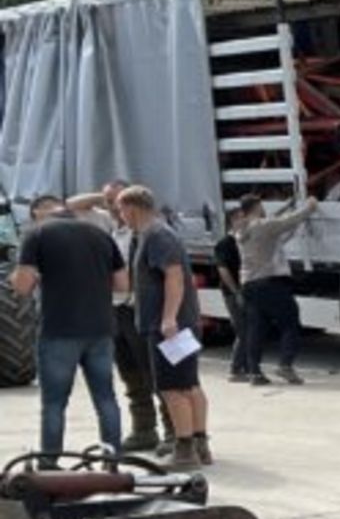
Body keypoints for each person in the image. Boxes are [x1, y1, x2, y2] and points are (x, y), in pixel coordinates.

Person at [9, 200, 126, 459]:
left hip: (58, 330)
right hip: (100, 329)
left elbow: (22, 286)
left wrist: (28, 277)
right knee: (106, 398)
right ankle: (112, 458)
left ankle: (50, 463)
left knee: (54, 403)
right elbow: (122, 283)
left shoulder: (37, 234)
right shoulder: (101, 235)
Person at [68, 178, 167, 453]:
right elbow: (70, 206)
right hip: (115, 310)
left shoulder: (147, 232)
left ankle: (173, 433)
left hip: (140, 311)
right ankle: (144, 430)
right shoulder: (110, 227)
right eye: (108, 202)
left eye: (117, 202)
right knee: (130, 374)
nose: (112, 207)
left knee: (154, 373)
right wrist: (102, 199)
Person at [117, 184, 210, 470]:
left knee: (173, 389)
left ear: (131, 208)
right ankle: (199, 445)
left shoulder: (157, 235)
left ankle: (185, 452)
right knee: (190, 384)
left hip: (169, 326)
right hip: (175, 324)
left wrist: (168, 319)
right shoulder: (151, 234)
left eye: (120, 209)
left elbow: (175, 277)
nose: (119, 215)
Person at [233, 194, 317, 385]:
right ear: (256, 207)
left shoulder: (241, 229)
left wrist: (287, 205)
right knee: (290, 321)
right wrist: (310, 207)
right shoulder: (262, 226)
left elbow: (276, 223)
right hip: (269, 283)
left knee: (256, 329)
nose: (263, 209)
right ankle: (285, 365)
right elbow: (288, 222)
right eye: (261, 206)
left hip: (249, 284)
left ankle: (254, 372)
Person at [212, 223, 255, 381]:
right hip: (232, 293)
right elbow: (223, 270)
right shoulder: (224, 244)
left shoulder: (242, 241)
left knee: (249, 329)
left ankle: (247, 367)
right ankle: (236, 370)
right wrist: (236, 292)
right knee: (243, 331)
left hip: (245, 291)